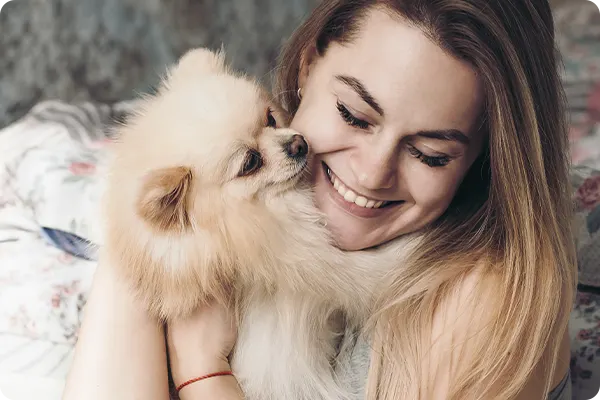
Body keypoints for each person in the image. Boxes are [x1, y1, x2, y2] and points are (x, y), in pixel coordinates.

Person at [62, 0, 576, 399]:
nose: (372, 173)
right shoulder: (222, 218)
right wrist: (141, 232)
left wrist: (205, 374)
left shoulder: (483, 302)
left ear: (488, 156)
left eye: (429, 154)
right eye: (353, 115)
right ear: (307, 68)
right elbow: (148, 228)